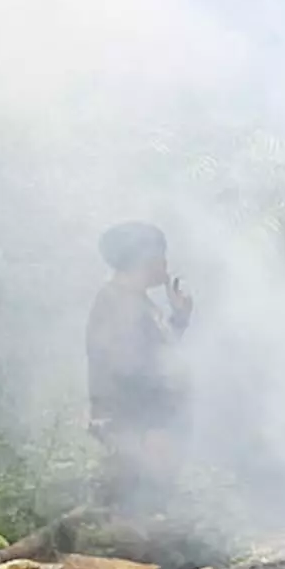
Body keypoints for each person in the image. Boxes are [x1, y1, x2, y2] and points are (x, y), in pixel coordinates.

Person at [86, 221, 194, 518]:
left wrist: (179, 318)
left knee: (149, 506)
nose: (165, 262)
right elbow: (126, 370)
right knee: (133, 508)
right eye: (161, 254)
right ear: (142, 258)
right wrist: (149, 430)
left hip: (149, 424)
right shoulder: (116, 303)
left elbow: (156, 356)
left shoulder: (139, 302)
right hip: (135, 425)